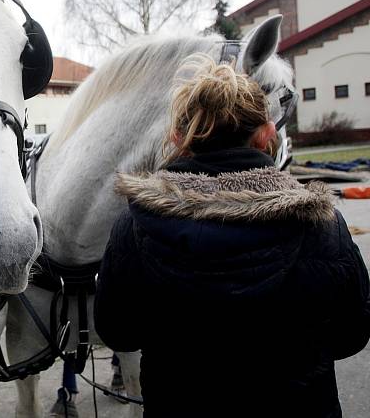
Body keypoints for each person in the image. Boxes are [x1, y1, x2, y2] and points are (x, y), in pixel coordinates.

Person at [94, 55, 370, 418]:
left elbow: (118, 333)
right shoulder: (321, 223)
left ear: (178, 137)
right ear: (267, 133)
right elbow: (352, 333)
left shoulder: (134, 226)